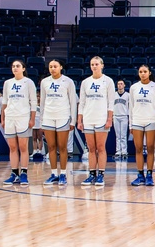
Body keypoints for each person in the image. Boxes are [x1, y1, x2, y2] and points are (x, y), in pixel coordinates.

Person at [78, 56, 116, 188]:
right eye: (92, 64)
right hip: (88, 118)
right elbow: (82, 102)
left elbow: (111, 102)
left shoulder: (108, 81)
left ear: (102, 65)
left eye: (96, 64)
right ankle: (92, 174)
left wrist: (109, 118)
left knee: (101, 148)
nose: (94, 66)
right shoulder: (85, 82)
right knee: (91, 148)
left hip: (102, 118)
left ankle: (101, 175)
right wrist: (80, 120)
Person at [39, 59, 78, 187]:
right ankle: (54, 174)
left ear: (61, 67)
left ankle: (63, 174)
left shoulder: (68, 81)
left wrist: (73, 120)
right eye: (50, 66)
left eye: (55, 66)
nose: (52, 69)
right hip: (49, 117)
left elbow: (73, 102)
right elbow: (42, 102)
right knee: (51, 147)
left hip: (63, 116)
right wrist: (41, 120)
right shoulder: (44, 82)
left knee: (62, 147)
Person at [2, 60, 38, 186]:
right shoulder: (8, 83)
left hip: (23, 117)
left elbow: (33, 102)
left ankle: (23, 173)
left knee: (23, 147)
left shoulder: (28, 82)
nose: (15, 68)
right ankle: (14, 173)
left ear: (23, 68)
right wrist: (3, 118)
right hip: (10, 117)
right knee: (12, 147)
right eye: (13, 66)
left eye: (18, 66)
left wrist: (32, 119)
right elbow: (4, 102)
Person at [128, 65, 155, 187]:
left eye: (145, 72)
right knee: (138, 149)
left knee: (150, 148)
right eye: (141, 72)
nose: (143, 74)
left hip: (151, 119)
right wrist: (130, 124)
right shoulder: (133, 87)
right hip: (137, 120)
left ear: (149, 73)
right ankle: (140, 174)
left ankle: (149, 175)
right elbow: (130, 106)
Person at [113, 79, 129, 162]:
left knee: (123, 135)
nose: (120, 85)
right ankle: (118, 151)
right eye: (118, 84)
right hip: (115, 116)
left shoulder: (127, 95)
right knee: (117, 135)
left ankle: (124, 151)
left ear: (124, 85)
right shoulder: (113, 95)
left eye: (121, 84)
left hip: (124, 116)